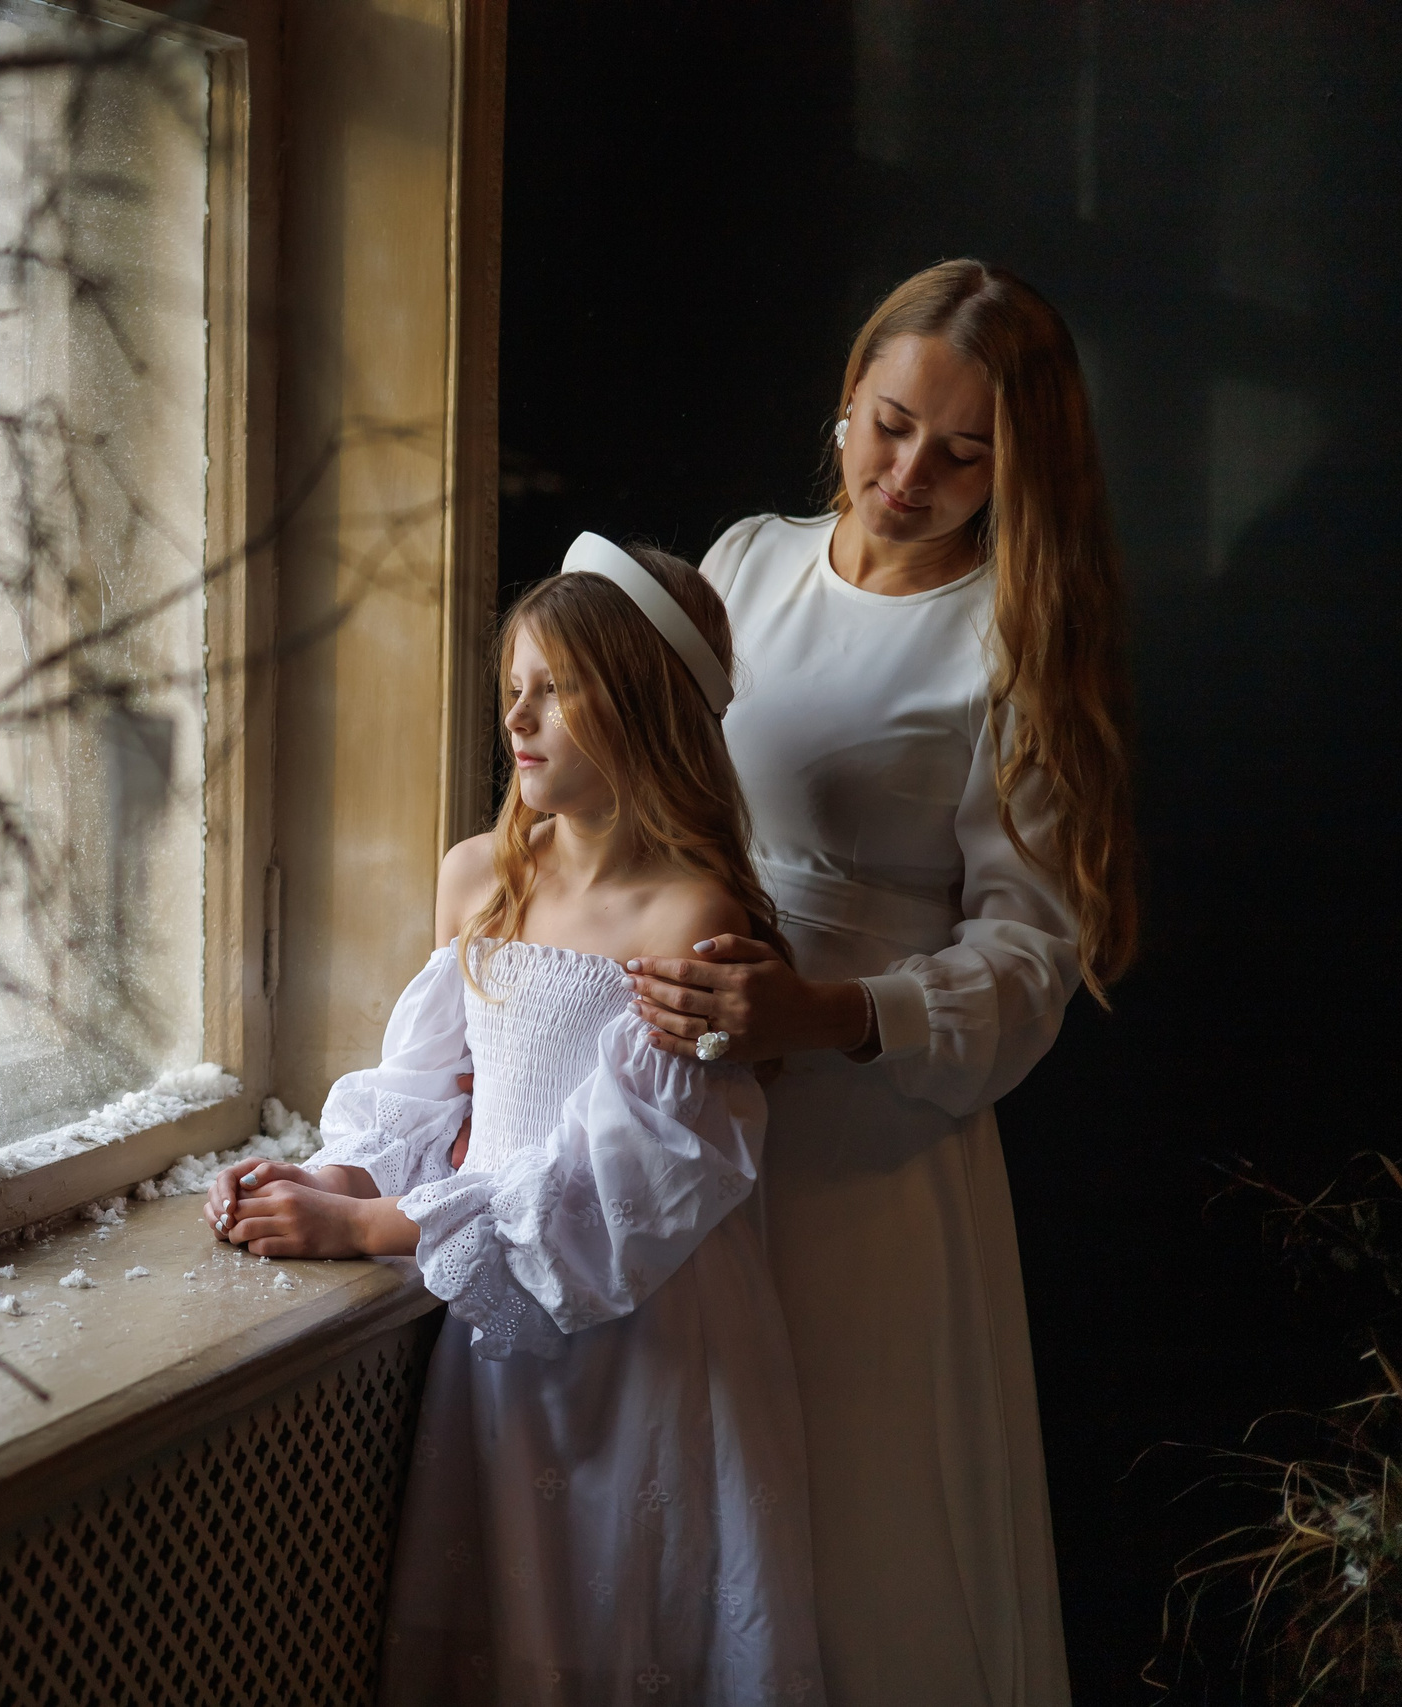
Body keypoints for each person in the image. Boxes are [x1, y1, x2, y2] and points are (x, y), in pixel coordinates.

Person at [621, 259, 1137, 1706]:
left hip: (869, 1147)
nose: (911, 472)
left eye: (967, 451)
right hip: (677, 1102)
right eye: (891, 424)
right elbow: (633, 792)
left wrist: (831, 1013)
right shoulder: (743, 562)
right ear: (846, 400)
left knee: (856, 1538)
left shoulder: (1014, 638)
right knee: (691, 1509)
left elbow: (1033, 958)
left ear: (1022, 466)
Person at [208, 536, 824, 1704]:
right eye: (513, 692)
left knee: (628, 1609)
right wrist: (331, 1177)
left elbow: (611, 1190)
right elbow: (426, 1085)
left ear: (644, 704)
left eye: (555, 690)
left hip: (641, 1332)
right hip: (493, 1318)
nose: (520, 720)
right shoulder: (480, 876)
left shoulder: (689, 912)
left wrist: (375, 1230)